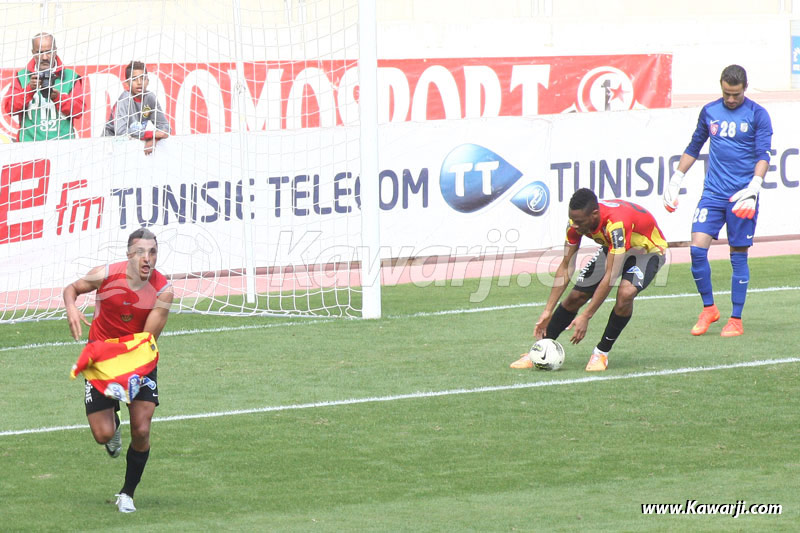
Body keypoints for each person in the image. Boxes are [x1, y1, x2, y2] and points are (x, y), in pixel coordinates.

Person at [63, 228, 173, 513]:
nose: (147, 259)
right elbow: (71, 289)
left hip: (137, 359)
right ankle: (113, 419)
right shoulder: (105, 274)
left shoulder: (163, 291)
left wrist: (126, 381)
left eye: (153, 253)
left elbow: (144, 342)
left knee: (142, 428)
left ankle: (127, 493)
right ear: (129, 255)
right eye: (140, 253)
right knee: (102, 434)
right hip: (100, 361)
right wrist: (72, 308)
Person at [662, 64, 772, 337]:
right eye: (726, 94)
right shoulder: (710, 111)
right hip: (712, 194)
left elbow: (763, 155)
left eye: (735, 94)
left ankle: (736, 319)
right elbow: (694, 146)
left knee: (737, 255)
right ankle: (709, 308)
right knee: (697, 249)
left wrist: (755, 186)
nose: (731, 99)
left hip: (741, 197)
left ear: (744, 89)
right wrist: (676, 179)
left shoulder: (758, 115)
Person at [511, 188, 667, 371]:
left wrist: (586, 315)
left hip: (646, 251)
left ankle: (601, 353)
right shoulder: (575, 224)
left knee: (626, 293)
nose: (575, 226)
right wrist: (547, 310)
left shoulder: (616, 224)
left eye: (579, 222)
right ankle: (540, 349)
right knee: (576, 296)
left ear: (594, 215)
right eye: (573, 221)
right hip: (614, 248)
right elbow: (566, 265)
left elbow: (610, 276)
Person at [2, 32, 85, 141]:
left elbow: (79, 111)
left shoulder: (71, 77)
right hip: (29, 145)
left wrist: (58, 98)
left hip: (63, 147)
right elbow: (9, 108)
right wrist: (29, 90)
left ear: (55, 51)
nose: (44, 57)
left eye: (49, 52)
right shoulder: (22, 76)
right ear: (33, 53)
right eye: (40, 53)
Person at [104, 61, 170, 155]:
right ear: (127, 82)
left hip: (130, 145)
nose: (139, 83)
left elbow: (166, 127)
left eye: (143, 78)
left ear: (148, 81)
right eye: (134, 79)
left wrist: (154, 139)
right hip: (109, 146)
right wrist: (151, 134)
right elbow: (120, 132)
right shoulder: (124, 99)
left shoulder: (150, 98)